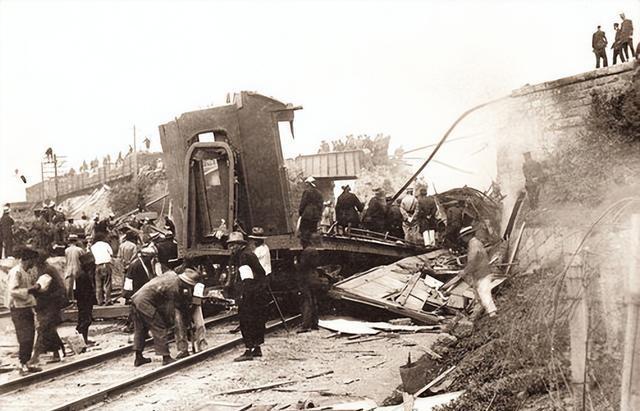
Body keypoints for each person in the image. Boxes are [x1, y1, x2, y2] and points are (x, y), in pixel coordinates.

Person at [130, 267, 202, 366]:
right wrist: (172, 322)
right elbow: (169, 309)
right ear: (186, 283)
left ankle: (138, 358)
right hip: (145, 303)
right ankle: (166, 357)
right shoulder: (173, 287)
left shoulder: (171, 275)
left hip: (136, 300)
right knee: (160, 327)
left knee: (141, 329)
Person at [227, 232, 268, 361]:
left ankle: (248, 350)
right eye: (230, 245)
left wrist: (242, 296)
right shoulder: (248, 253)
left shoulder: (243, 257)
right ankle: (257, 348)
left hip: (250, 293)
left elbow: (247, 279)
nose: (231, 248)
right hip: (258, 292)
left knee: (246, 321)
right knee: (257, 320)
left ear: (239, 245)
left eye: (233, 245)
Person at [28, 250, 68, 365]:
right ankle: (57, 352)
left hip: (51, 303)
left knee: (43, 328)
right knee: (49, 329)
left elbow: (60, 288)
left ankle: (36, 356)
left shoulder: (48, 270)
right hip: (42, 304)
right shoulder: (39, 269)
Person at [6, 246, 42, 374]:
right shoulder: (16, 272)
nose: (34, 263)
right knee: (24, 337)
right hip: (18, 308)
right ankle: (22, 363)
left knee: (30, 335)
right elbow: (13, 291)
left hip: (26, 306)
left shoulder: (27, 272)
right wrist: (30, 290)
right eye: (33, 260)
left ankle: (26, 362)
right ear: (28, 259)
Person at [458, 226, 497, 319]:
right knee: (479, 293)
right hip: (481, 271)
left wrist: (465, 271)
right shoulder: (475, 242)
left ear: (467, 236)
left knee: (484, 292)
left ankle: (492, 313)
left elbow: (474, 259)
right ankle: (486, 312)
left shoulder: (473, 244)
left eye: (463, 237)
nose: (463, 239)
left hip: (481, 271)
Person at [295, 232, 321, 333]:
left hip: (306, 278)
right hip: (314, 276)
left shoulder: (306, 252)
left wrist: (295, 263)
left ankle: (305, 326)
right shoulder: (314, 250)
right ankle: (315, 324)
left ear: (303, 242)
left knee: (306, 301)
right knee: (314, 301)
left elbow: (302, 266)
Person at [76, 251, 96, 345]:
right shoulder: (83, 276)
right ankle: (82, 340)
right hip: (85, 302)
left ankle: (84, 339)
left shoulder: (82, 274)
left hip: (84, 301)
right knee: (85, 320)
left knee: (85, 320)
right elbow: (84, 292)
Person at [90, 232, 114, 305]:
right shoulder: (106, 244)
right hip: (106, 264)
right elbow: (111, 253)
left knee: (98, 284)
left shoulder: (93, 246)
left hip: (98, 265)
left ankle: (99, 301)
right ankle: (108, 300)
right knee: (107, 283)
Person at [298, 177, 323, 241]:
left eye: (307, 184)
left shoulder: (307, 192)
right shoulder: (319, 193)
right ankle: (312, 242)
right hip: (315, 215)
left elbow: (303, 203)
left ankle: (305, 242)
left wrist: (300, 212)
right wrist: (319, 214)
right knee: (313, 230)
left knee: (304, 229)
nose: (306, 185)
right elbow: (321, 205)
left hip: (307, 214)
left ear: (309, 184)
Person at [64, 234, 85, 301]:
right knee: (79, 285)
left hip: (69, 268)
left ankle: (70, 299)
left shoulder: (66, 250)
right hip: (78, 268)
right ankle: (78, 298)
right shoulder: (80, 250)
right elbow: (84, 259)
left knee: (69, 286)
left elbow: (66, 260)